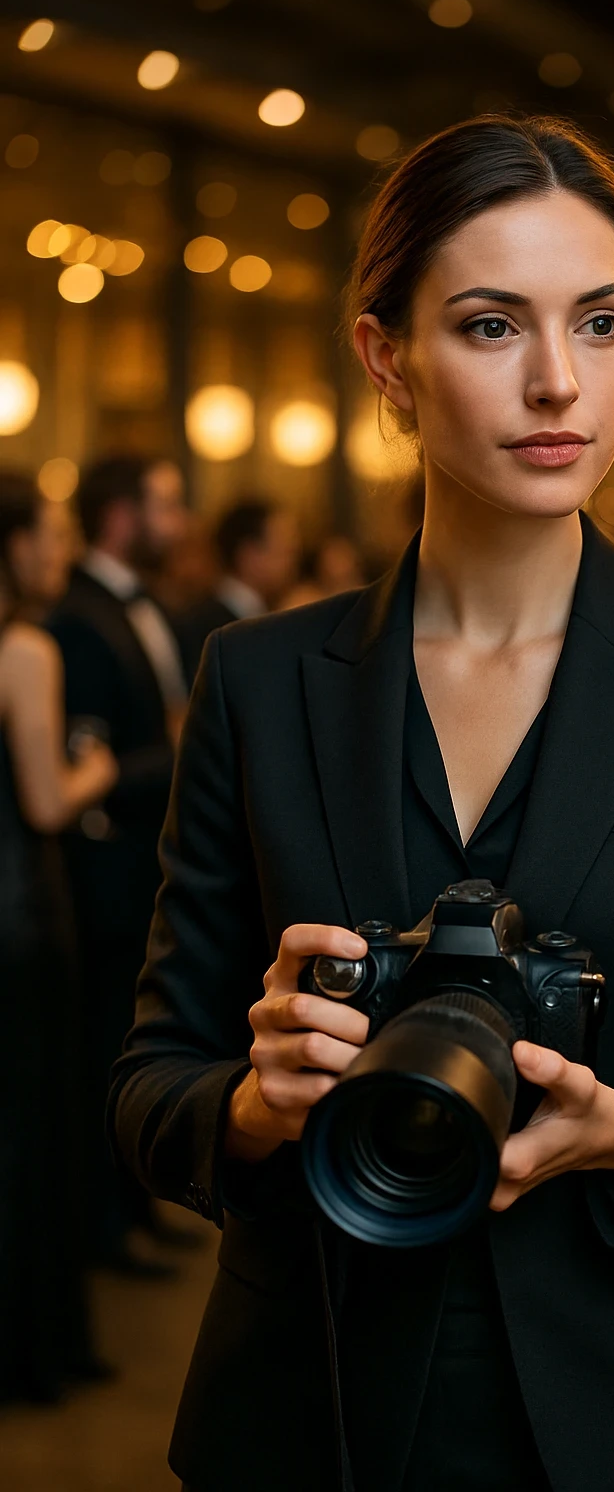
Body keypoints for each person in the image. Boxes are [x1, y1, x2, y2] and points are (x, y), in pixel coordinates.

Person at [110, 114, 614, 1492]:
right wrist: (251, 1106)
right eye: (492, 327)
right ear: (388, 361)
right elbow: (149, 1080)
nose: (560, 382)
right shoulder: (260, 679)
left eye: (601, 324)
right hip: (310, 1411)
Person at [49, 453, 189, 1275]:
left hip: (150, 865)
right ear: (121, 517)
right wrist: (172, 751)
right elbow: (87, 765)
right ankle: (107, 1227)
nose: (177, 523)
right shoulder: (77, 616)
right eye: (164, 505)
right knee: (109, 1046)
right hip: (106, 873)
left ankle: (137, 1208)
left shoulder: (144, 607)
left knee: (142, 1034)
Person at [0, 472, 118, 1401]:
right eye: (46, 535)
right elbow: (45, 801)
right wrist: (99, 769)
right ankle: (34, 1353)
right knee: (30, 1131)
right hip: (20, 919)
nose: (61, 553)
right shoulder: (24, 647)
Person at [179, 498, 301, 680]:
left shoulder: (259, 615)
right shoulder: (212, 627)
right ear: (249, 554)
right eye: (284, 551)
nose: (292, 563)